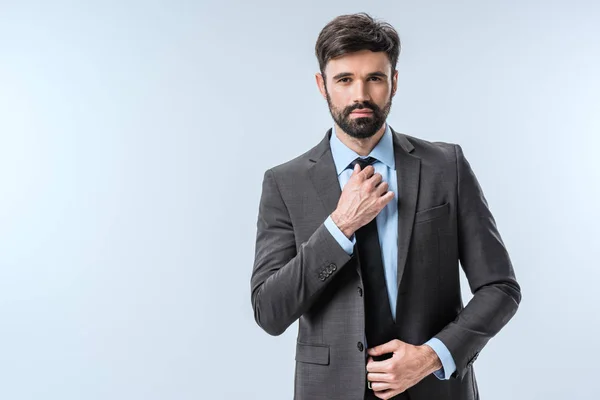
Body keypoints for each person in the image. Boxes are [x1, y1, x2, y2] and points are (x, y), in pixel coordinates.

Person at [250, 12, 521, 400]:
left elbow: (500, 287)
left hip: (435, 389)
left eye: (374, 78)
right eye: (344, 79)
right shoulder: (284, 183)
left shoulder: (447, 166)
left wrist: (432, 356)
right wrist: (339, 226)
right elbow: (270, 312)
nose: (360, 94)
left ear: (393, 82)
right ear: (321, 85)